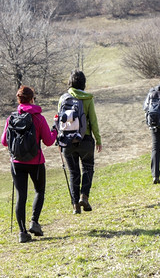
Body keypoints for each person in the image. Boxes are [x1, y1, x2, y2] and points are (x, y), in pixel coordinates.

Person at [1, 86, 58, 243]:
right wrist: (55, 130)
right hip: (36, 162)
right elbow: (48, 141)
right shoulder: (38, 118)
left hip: (16, 163)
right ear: (32, 99)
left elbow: (4, 141)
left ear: (19, 100)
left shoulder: (11, 118)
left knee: (21, 196)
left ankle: (22, 233)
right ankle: (34, 222)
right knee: (39, 191)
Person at [58, 70, 102, 215]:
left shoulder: (63, 98)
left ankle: (75, 205)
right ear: (83, 83)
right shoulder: (88, 98)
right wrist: (98, 140)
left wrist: (60, 140)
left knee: (73, 173)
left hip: (68, 142)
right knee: (88, 168)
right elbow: (93, 121)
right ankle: (84, 196)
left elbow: (60, 121)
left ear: (70, 82)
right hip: (86, 140)